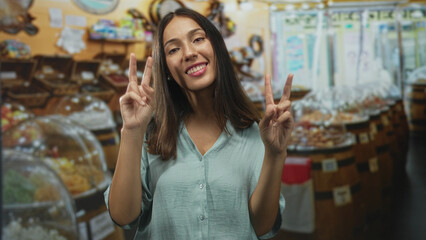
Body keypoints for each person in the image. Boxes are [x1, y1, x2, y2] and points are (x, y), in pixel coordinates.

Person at [104, 7, 294, 239]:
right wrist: (132, 131)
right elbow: (123, 217)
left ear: (217, 48)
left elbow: (261, 226)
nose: (189, 53)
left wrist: (275, 155)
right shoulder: (151, 134)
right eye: (173, 49)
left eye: (198, 39)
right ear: (166, 70)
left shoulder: (257, 134)